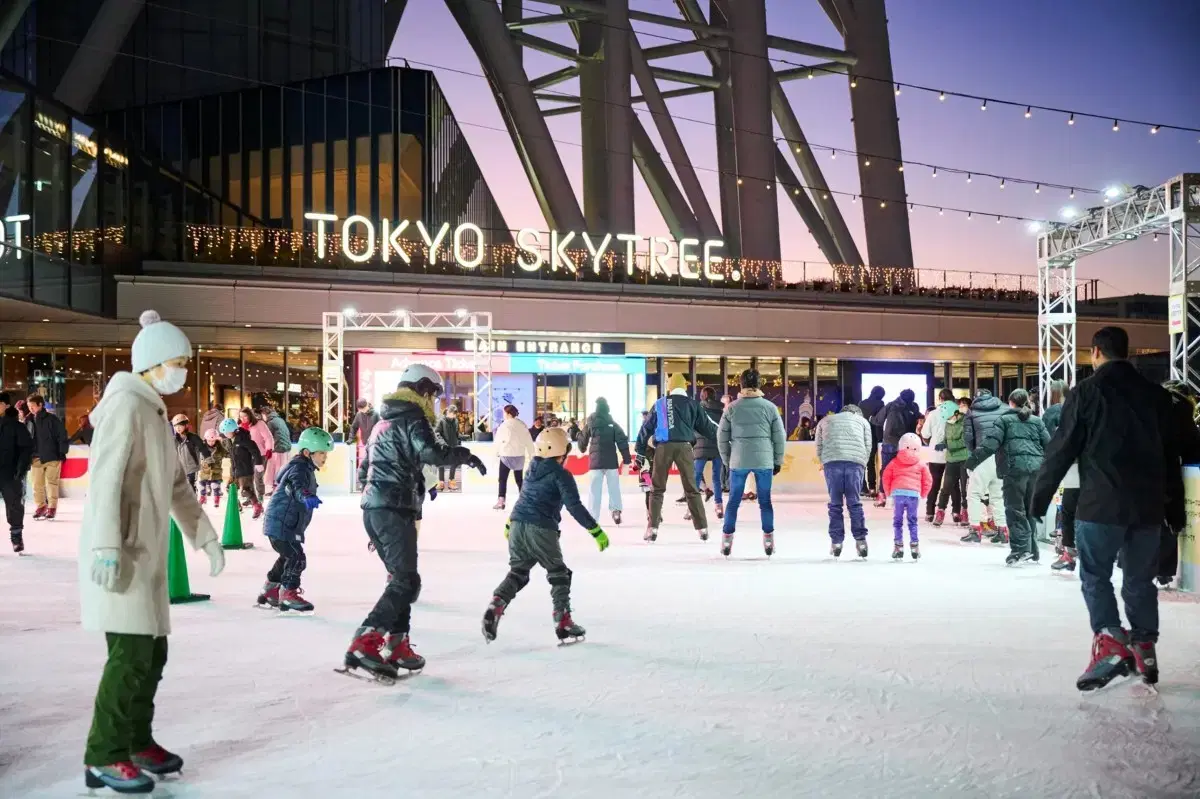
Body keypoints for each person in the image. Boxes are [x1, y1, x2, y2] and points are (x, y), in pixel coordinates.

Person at [79, 310, 225, 793]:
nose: (181, 370)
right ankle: (105, 751)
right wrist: (104, 545)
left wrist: (203, 534)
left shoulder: (153, 411)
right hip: (120, 553)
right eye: (177, 362)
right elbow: (105, 481)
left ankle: (137, 740)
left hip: (145, 555)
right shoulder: (126, 406)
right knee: (131, 655)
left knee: (152, 652)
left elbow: (178, 487)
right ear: (155, 362)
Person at [1033, 327, 1180, 691]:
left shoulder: (1086, 392)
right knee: (1138, 579)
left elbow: (1063, 448)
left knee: (1096, 575)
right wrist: (1175, 510)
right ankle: (1144, 645)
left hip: (1101, 504)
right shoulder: (1157, 397)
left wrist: (1039, 496)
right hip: (1147, 506)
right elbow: (1171, 456)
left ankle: (1112, 641)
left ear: (1095, 352)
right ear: (1127, 353)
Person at [344, 364, 486, 682]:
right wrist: (463, 455)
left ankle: (396, 644)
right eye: (433, 394)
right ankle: (365, 642)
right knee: (405, 582)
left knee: (403, 579)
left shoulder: (382, 421)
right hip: (395, 507)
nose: (434, 401)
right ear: (422, 389)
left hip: (375, 508)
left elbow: (364, 469)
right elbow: (431, 453)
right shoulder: (412, 416)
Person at [482, 426, 609, 644]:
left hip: (517, 527)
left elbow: (524, 496)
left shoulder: (533, 468)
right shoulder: (561, 474)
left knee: (518, 573)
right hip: (540, 529)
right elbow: (574, 506)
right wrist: (595, 530)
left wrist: (509, 523)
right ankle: (563, 621)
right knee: (559, 574)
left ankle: (497, 603)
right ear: (562, 451)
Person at [965, 389, 1049, 565]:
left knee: (1015, 509)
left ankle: (1020, 550)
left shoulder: (1004, 420)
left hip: (1014, 470)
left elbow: (990, 445)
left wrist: (972, 461)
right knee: (1029, 509)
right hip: (1036, 470)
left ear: (1011, 403)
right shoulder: (1037, 421)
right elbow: (1049, 445)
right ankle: (1032, 550)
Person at [258, 427, 334, 613]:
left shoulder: (302, 466)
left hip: (284, 523)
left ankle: (270, 590)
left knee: (287, 556)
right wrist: (305, 495)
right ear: (307, 452)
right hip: (282, 523)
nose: (325, 457)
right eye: (322, 453)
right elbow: (296, 486)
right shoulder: (299, 468)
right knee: (297, 558)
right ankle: (288, 593)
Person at [635, 374, 718, 542]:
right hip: (685, 448)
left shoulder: (660, 403)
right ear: (684, 387)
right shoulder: (693, 404)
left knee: (657, 489)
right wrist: (724, 440)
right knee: (691, 489)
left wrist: (640, 451)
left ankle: (652, 528)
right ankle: (702, 528)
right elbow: (708, 427)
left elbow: (646, 428)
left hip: (663, 448)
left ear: (670, 387)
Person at [717, 369, 787, 557]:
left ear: (741, 385)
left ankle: (726, 539)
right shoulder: (770, 407)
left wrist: (727, 459)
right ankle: (769, 539)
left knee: (733, 502)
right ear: (759, 384)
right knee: (765, 501)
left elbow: (721, 437)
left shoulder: (732, 408)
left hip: (738, 460)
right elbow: (779, 437)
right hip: (764, 460)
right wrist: (777, 460)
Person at [1154, 381, 1200, 586]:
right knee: (1169, 518)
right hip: (1167, 468)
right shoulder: (1181, 407)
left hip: (1138, 468)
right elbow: (1191, 442)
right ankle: (1164, 570)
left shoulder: (1149, 402)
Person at [815, 403, 872, 558]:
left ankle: (836, 542)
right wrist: (862, 462)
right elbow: (868, 445)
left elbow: (818, 445)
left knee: (835, 504)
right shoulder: (863, 422)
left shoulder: (826, 420)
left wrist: (823, 461)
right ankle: (861, 541)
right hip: (855, 463)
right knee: (854, 503)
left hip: (832, 463)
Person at [961, 389, 1007, 544]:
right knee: (998, 495)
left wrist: (974, 454)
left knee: (974, 494)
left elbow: (968, 438)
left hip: (982, 455)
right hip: (1002, 456)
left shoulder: (971, 412)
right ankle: (1002, 530)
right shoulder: (1005, 408)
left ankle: (975, 529)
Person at [577, 397, 632, 525]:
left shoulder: (590, 422)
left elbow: (582, 441)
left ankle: (593, 517)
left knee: (594, 490)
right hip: (611, 462)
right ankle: (616, 511)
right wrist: (627, 460)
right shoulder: (612, 423)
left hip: (595, 463)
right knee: (614, 488)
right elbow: (622, 441)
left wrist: (581, 444)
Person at [881, 433, 933, 560]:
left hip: (898, 494)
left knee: (898, 521)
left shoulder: (894, 462)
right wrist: (923, 494)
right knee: (912, 521)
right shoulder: (921, 464)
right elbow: (928, 480)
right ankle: (914, 546)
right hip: (913, 495)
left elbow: (886, 477)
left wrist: (888, 494)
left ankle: (898, 547)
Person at [871, 388, 919, 505]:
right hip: (906, 444)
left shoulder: (891, 405)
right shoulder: (914, 407)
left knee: (886, 469)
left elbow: (878, 421)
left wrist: (871, 418)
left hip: (890, 442)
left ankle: (882, 496)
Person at [26, 394, 69, 521]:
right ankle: (41, 507)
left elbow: (62, 435)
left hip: (52, 456)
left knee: (51, 483)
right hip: (35, 458)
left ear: (40, 405)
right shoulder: (29, 421)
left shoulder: (52, 419)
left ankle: (51, 508)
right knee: (36, 485)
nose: (31, 409)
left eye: (32, 406)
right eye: (29, 407)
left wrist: (62, 452)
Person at [0, 393, 33, 553]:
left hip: (10, 473)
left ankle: (16, 536)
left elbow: (26, 449)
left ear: (6, 405)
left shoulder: (16, 426)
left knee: (14, 505)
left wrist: (21, 468)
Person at [920, 389, 958, 522]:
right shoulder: (957, 413)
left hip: (936, 454)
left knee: (934, 483)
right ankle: (956, 512)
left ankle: (930, 512)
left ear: (940, 399)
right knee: (953, 484)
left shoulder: (933, 414)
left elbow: (925, 434)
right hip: (954, 453)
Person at [932, 399, 969, 527]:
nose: (949, 419)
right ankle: (940, 511)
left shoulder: (966, 421)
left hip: (964, 459)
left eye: (950, 417)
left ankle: (965, 512)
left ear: (956, 413)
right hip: (951, 460)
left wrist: (947, 445)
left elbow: (965, 441)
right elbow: (946, 437)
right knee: (946, 488)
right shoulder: (948, 423)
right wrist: (942, 442)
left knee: (965, 489)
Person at [691, 387, 725, 519]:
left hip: (700, 446)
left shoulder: (698, 409)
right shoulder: (721, 411)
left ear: (702, 396)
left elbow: (693, 427)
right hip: (717, 447)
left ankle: (692, 507)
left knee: (696, 476)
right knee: (717, 477)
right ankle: (719, 505)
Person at [494, 404, 535, 510]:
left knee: (502, 479)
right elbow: (529, 441)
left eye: (504, 413)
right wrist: (531, 455)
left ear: (508, 413)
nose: (503, 415)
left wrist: (496, 452)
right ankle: (525, 500)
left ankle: (501, 501)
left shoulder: (504, 425)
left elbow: (498, 440)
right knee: (519, 480)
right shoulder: (522, 425)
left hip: (506, 455)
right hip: (519, 455)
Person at [222, 417, 264, 518]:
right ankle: (237, 506)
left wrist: (258, 463)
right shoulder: (229, 440)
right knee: (229, 488)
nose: (226, 434)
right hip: (235, 470)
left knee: (245, 490)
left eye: (228, 432)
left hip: (245, 470)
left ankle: (257, 506)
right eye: (225, 433)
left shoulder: (243, 439)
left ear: (234, 430)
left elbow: (254, 450)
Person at [857, 386, 886, 496]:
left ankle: (862, 488)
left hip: (861, 436)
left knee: (861, 464)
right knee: (871, 464)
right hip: (872, 436)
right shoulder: (880, 404)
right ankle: (872, 488)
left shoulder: (861, 403)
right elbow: (879, 421)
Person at [239, 408, 272, 502]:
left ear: (250, 415)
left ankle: (260, 496)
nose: (243, 419)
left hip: (260, 454)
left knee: (258, 477)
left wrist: (269, 449)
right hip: (247, 456)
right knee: (249, 478)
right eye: (241, 417)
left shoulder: (259, 424)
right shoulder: (240, 427)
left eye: (245, 416)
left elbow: (268, 437)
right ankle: (251, 498)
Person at [170, 414, 210, 493]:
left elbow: (203, 447)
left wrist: (208, 459)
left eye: (180, 425)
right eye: (175, 426)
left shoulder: (193, 437)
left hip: (192, 468)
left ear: (186, 425)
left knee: (191, 485)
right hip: (180, 468)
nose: (178, 428)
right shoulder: (174, 440)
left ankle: (193, 501)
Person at [260, 404, 292, 496]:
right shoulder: (279, 420)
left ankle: (277, 489)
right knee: (279, 469)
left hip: (278, 449)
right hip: (285, 449)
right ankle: (277, 488)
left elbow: (267, 437)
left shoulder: (271, 422)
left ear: (265, 414)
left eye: (262, 415)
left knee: (273, 469)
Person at [349, 398, 380, 487]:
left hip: (376, 443)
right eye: (360, 409)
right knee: (367, 463)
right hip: (366, 443)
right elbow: (354, 427)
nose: (362, 410)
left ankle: (372, 483)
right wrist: (351, 438)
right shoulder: (359, 415)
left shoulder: (376, 414)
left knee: (372, 463)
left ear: (367, 405)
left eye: (363, 408)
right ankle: (366, 484)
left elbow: (381, 428)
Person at [197, 427, 230, 507]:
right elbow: (197, 453)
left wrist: (231, 455)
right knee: (201, 485)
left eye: (213, 441)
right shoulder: (202, 447)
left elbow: (227, 453)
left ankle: (216, 498)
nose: (211, 443)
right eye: (209, 441)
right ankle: (202, 497)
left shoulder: (220, 448)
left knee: (215, 486)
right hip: (205, 471)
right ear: (206, 440)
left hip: (216, 471)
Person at [435, 404, 462, 490]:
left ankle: (451, 482)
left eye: (455, 414)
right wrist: (443, 443)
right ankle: (441, 482)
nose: (454, 416)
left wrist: (463, 437)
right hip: (443, 446)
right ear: (448, 412)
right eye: (453, 414)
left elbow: (457, 433)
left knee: (454, 464)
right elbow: (437, 433)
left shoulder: (456, 421)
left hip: (453, 446)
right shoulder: (441, 421)